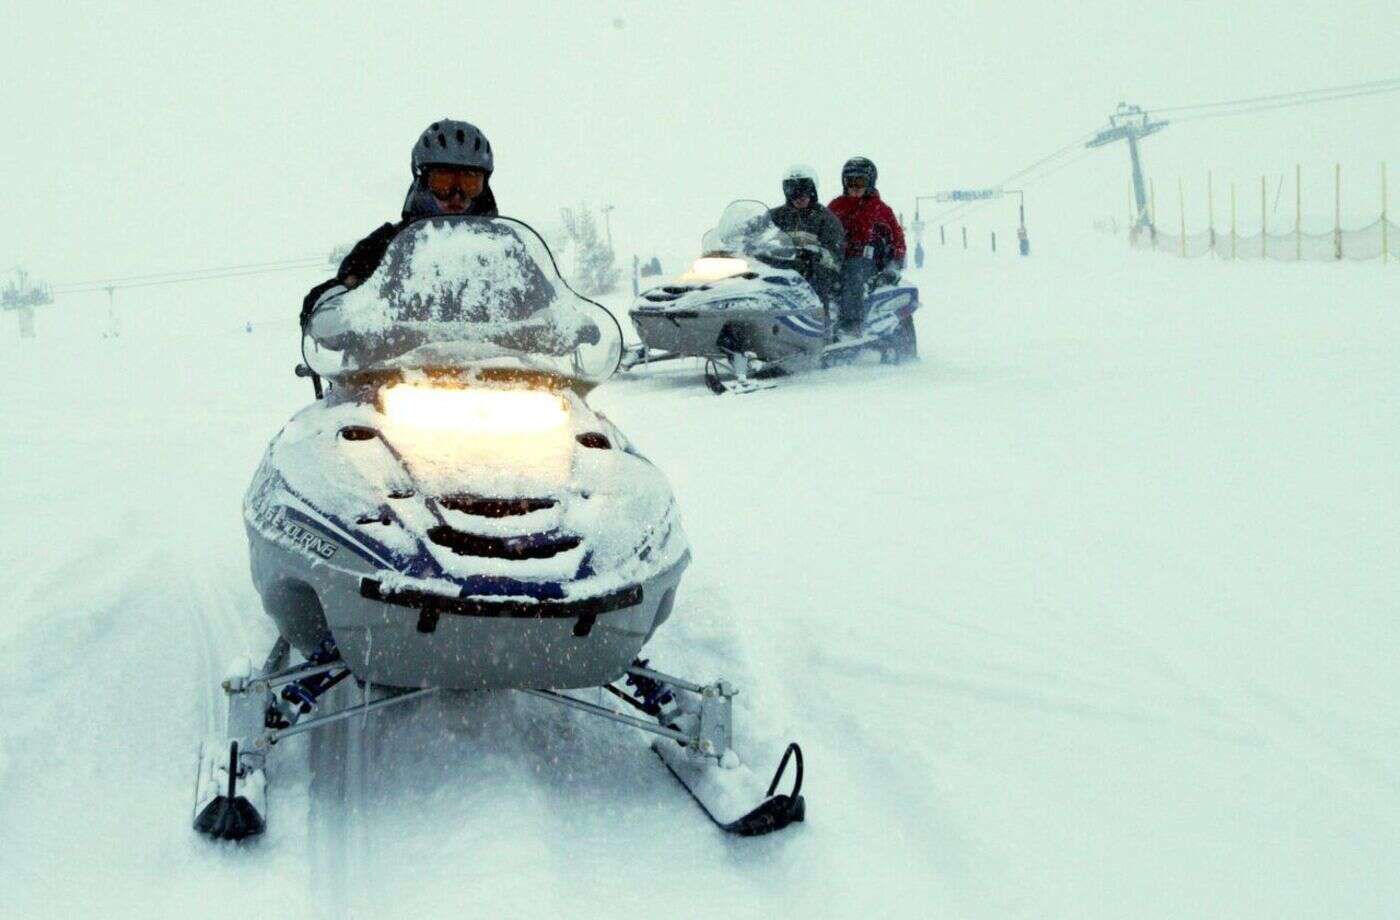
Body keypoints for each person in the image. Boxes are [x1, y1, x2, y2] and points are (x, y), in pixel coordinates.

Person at [302, 119, 498, 318]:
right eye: (444, 181)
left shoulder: (506, 246)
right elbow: (343, 290)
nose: (457, 196)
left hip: (490, 349)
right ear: (423, 181)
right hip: (405, 348)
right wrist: (326, 305)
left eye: (469, 182)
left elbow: (532, 302)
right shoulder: (384, 244)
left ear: (483, 187)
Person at [827, 156, 906, 337]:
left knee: (854, 273)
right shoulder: (836, 206)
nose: (854, 186)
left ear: (870, 182)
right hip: (836, 259)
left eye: (860, 181)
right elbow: (821, 228)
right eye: (850, 181)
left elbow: (897, 239)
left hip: (868, 262)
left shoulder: (880, 209)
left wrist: (895, 264)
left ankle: (851, 324)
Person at [767, 164, 844, 312]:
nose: (799, 198)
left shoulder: (825, 218)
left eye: (804, 193)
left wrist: (816, 253)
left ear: (812, 192)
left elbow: (835, 252)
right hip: (785, 263)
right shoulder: (777, 215)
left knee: (815, 277)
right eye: (793, 194)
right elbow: (754, 227)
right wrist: (738, 233)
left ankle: (822, 323)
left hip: (816, 266)